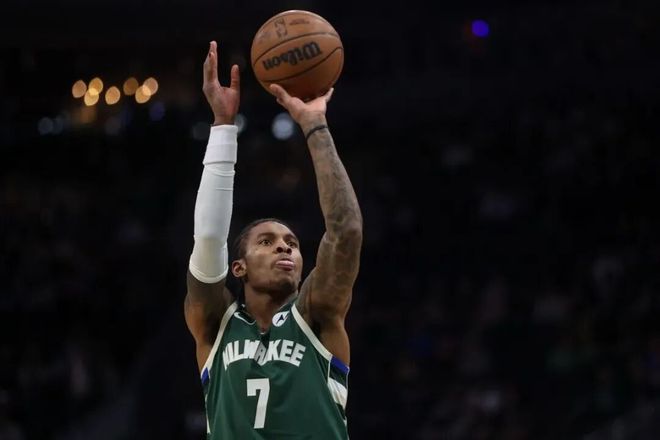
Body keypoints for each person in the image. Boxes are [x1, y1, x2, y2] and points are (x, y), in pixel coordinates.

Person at [184, 41, 363, 439]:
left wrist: (315, 125)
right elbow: (208, 239)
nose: (285, 247)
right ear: (238, 267)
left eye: (292, 243)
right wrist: (223, 127)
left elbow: (346, 232)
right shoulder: (215, 324)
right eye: (266, 242)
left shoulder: (316, 314)